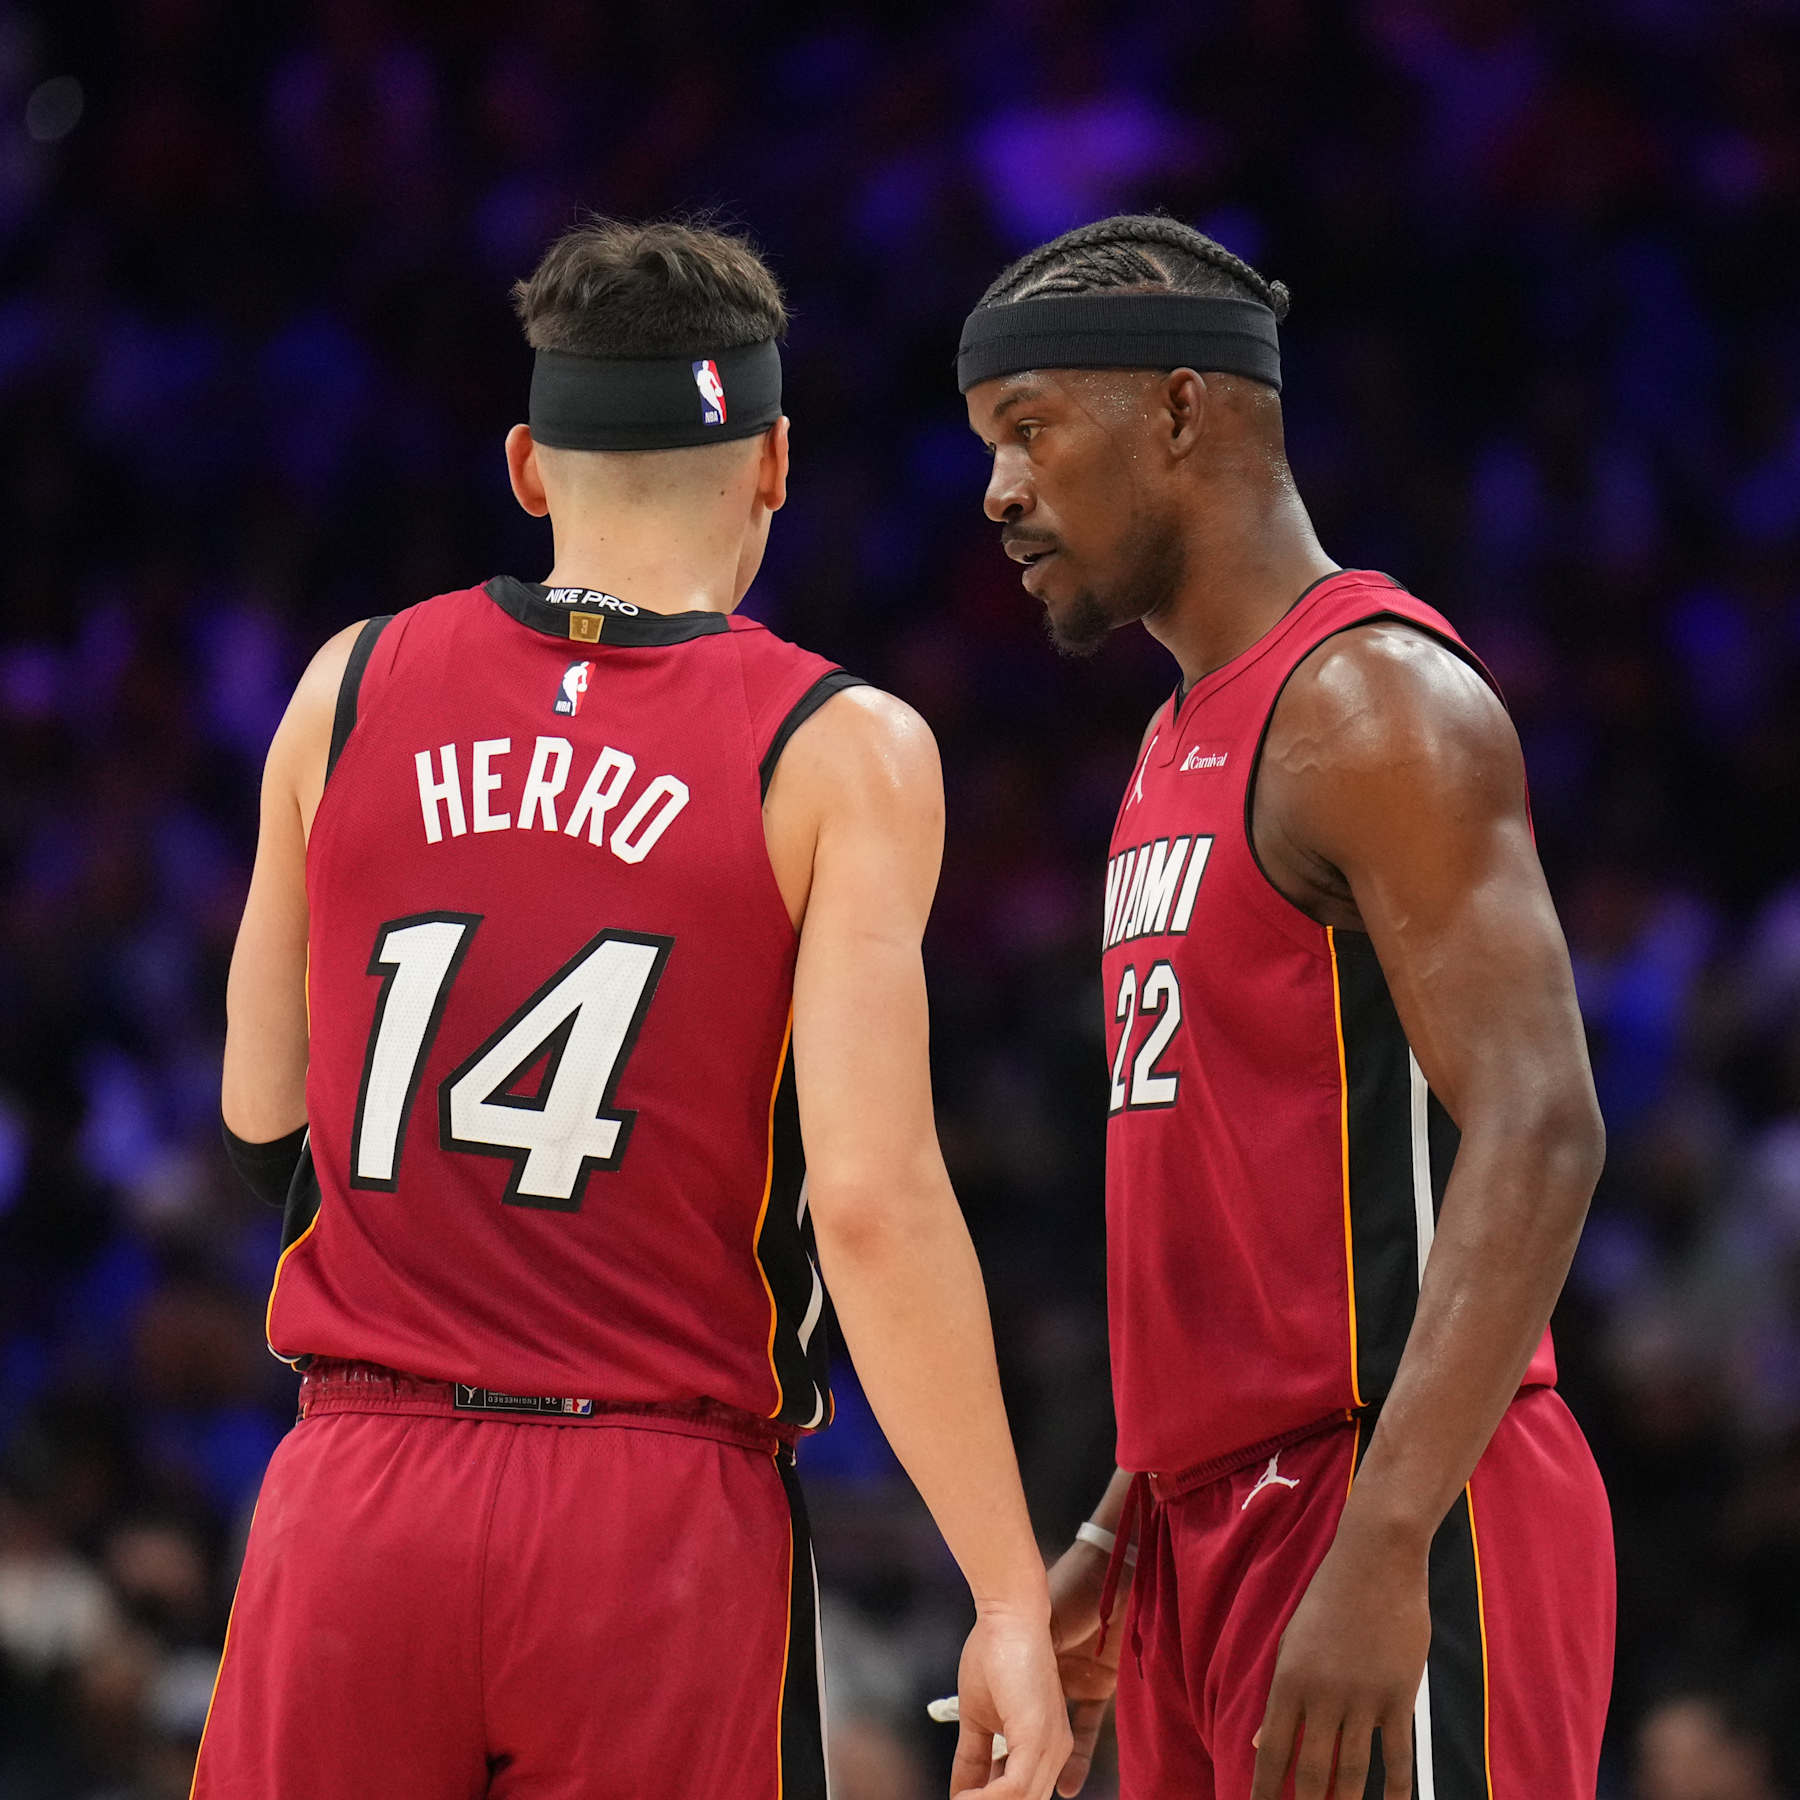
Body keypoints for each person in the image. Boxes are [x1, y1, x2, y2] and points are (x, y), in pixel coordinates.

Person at [206, 217, 1069, 1800]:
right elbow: (870, 1205)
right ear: (775, 465)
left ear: (529, 465)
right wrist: (1009, 1592)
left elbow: (267, 1116)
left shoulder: (345, 686)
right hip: (652, 1515)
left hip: (353, 1494)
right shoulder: (841, 748)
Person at [958, 214, 1614, 1800]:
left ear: (1181, 411)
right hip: (1203, 1527)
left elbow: (1542, 1127)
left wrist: (1389, 1542)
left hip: (1390, 1492)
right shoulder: (1178, 733)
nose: (998, 492)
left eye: (1030, 428)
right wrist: (1123, 1524)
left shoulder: (1372, 700)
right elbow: (1240, 1199)